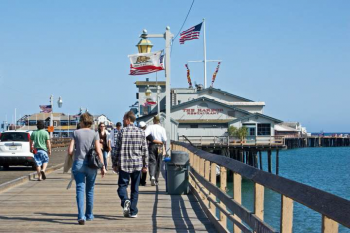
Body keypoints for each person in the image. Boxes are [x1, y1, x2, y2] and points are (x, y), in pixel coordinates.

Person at [68, 112, 106, 225]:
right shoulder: (95, 133)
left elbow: (70, 151)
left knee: (80, 189)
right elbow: (99, 151)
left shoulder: (75, 133)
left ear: (82, 121)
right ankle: (89, 214)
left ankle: (81, 216)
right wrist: (103, 166)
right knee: (90, 190)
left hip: (78, 164)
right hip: (91, 165)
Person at [112, 111, 148, 218]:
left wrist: (114, 163)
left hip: (124, 164)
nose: (122, 121)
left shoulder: (121, 132)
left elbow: (116, 149)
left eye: (123, 119)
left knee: (122, 186)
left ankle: (125, 200)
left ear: (128, 120)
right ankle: (133, 211)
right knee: (135, 188)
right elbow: (145, 150)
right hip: (137, 164)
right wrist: (145, 165)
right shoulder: (141, 132)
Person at [144, 115, 167, 186]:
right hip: (160, 146)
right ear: (159, 121)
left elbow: (144, 134)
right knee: (159, 162)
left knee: (152, 161)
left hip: (152, 145)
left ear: (153, 121)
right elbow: (165, 139)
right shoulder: (162, 128)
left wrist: (151, 138)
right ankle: (156, 180)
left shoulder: (150, 127)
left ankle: (152, 176)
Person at [139, 121, 149, 186]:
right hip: (145, 151)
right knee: (145, 167)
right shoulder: (146, 133)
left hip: (138, 152)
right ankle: (143, 181)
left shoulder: (137, 133)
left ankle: (139, 181)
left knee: (139, 168)